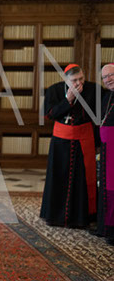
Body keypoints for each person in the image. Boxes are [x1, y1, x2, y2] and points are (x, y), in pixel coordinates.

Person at [40, 64, 98, 228]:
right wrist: (68, 100)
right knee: (58, 176)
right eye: (74, 80)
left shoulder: (93, 89)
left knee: (83, 178)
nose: (79, 83)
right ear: (66, 80)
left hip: (84, 139)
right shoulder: (54, 90)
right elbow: (49, 114)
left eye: (81, 79)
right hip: (61, 141)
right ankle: (55, 216)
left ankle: (82, 217)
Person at [95, 64, 114, 244]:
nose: (108, 79)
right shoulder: (107, 96)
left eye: (111, 75)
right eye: (105, 77)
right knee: (105, 186)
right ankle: (104, 227)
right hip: (107, 148)